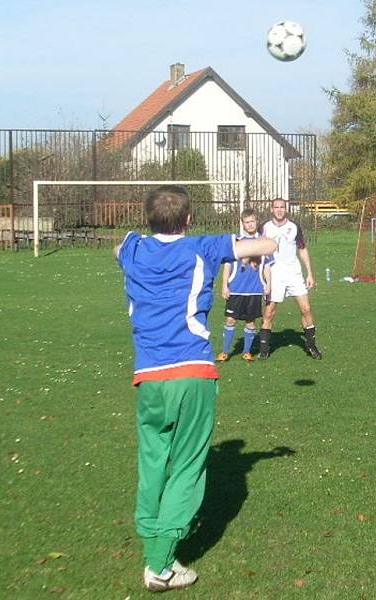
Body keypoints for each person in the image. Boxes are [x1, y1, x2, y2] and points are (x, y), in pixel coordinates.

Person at [115, 185, 276, 592]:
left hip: (148, 377)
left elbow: (119, 248)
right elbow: (265, 242)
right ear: (188, 219)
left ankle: (152, 539)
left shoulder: (133, 248)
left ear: (147, 219)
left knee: (153, 461)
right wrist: (273, 237)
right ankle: (161, 564)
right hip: (191, 371)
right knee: (187, 465)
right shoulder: (202, 248)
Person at [259, 198, 322, 359]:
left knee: (306, 309)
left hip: (294, 274)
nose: (279, 210)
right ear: (271, 209)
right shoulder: (264, 228)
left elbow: (302, 250)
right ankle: (264, 350)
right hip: (274, 275)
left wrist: (309, 273)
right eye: (276, 207)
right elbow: (257, 250)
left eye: (282, 207)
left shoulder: (294, 227)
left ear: (285, 209)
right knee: (269, 313)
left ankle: (311, 346)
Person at [216, 209, 273, 363]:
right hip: (236, 288)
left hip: (254, 289)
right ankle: (225, 351)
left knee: (251, 322)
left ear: (257, 222)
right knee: (230, 320)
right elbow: (227, 265)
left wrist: (268, 284)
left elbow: (267, 266)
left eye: (252, 221)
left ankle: (246, 352)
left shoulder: (263, 242)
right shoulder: (236, 242)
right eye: (247, 222)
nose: (250, 224)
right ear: (243, 223)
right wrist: (224, 285)